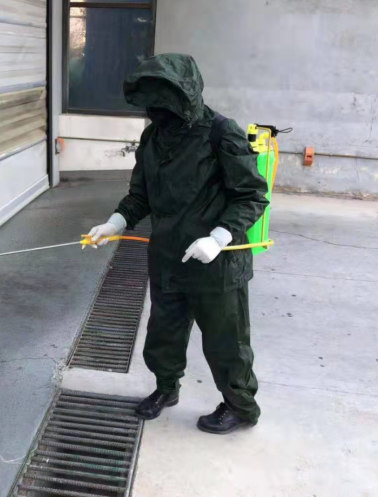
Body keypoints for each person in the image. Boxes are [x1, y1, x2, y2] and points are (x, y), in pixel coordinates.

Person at [88, 54, 269, 435]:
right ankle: (166, 388)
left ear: (186, 95)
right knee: (163, 335)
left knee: (226, 341)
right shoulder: (154, 137)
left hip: (216, 264)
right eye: (153, 106)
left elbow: (251, 196)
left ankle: (240, 407)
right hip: (168, 257)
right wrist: (115, 222)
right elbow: (141, 194)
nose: (158, 113)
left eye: (165, 103)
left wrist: (218, 237)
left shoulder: (222, 133)